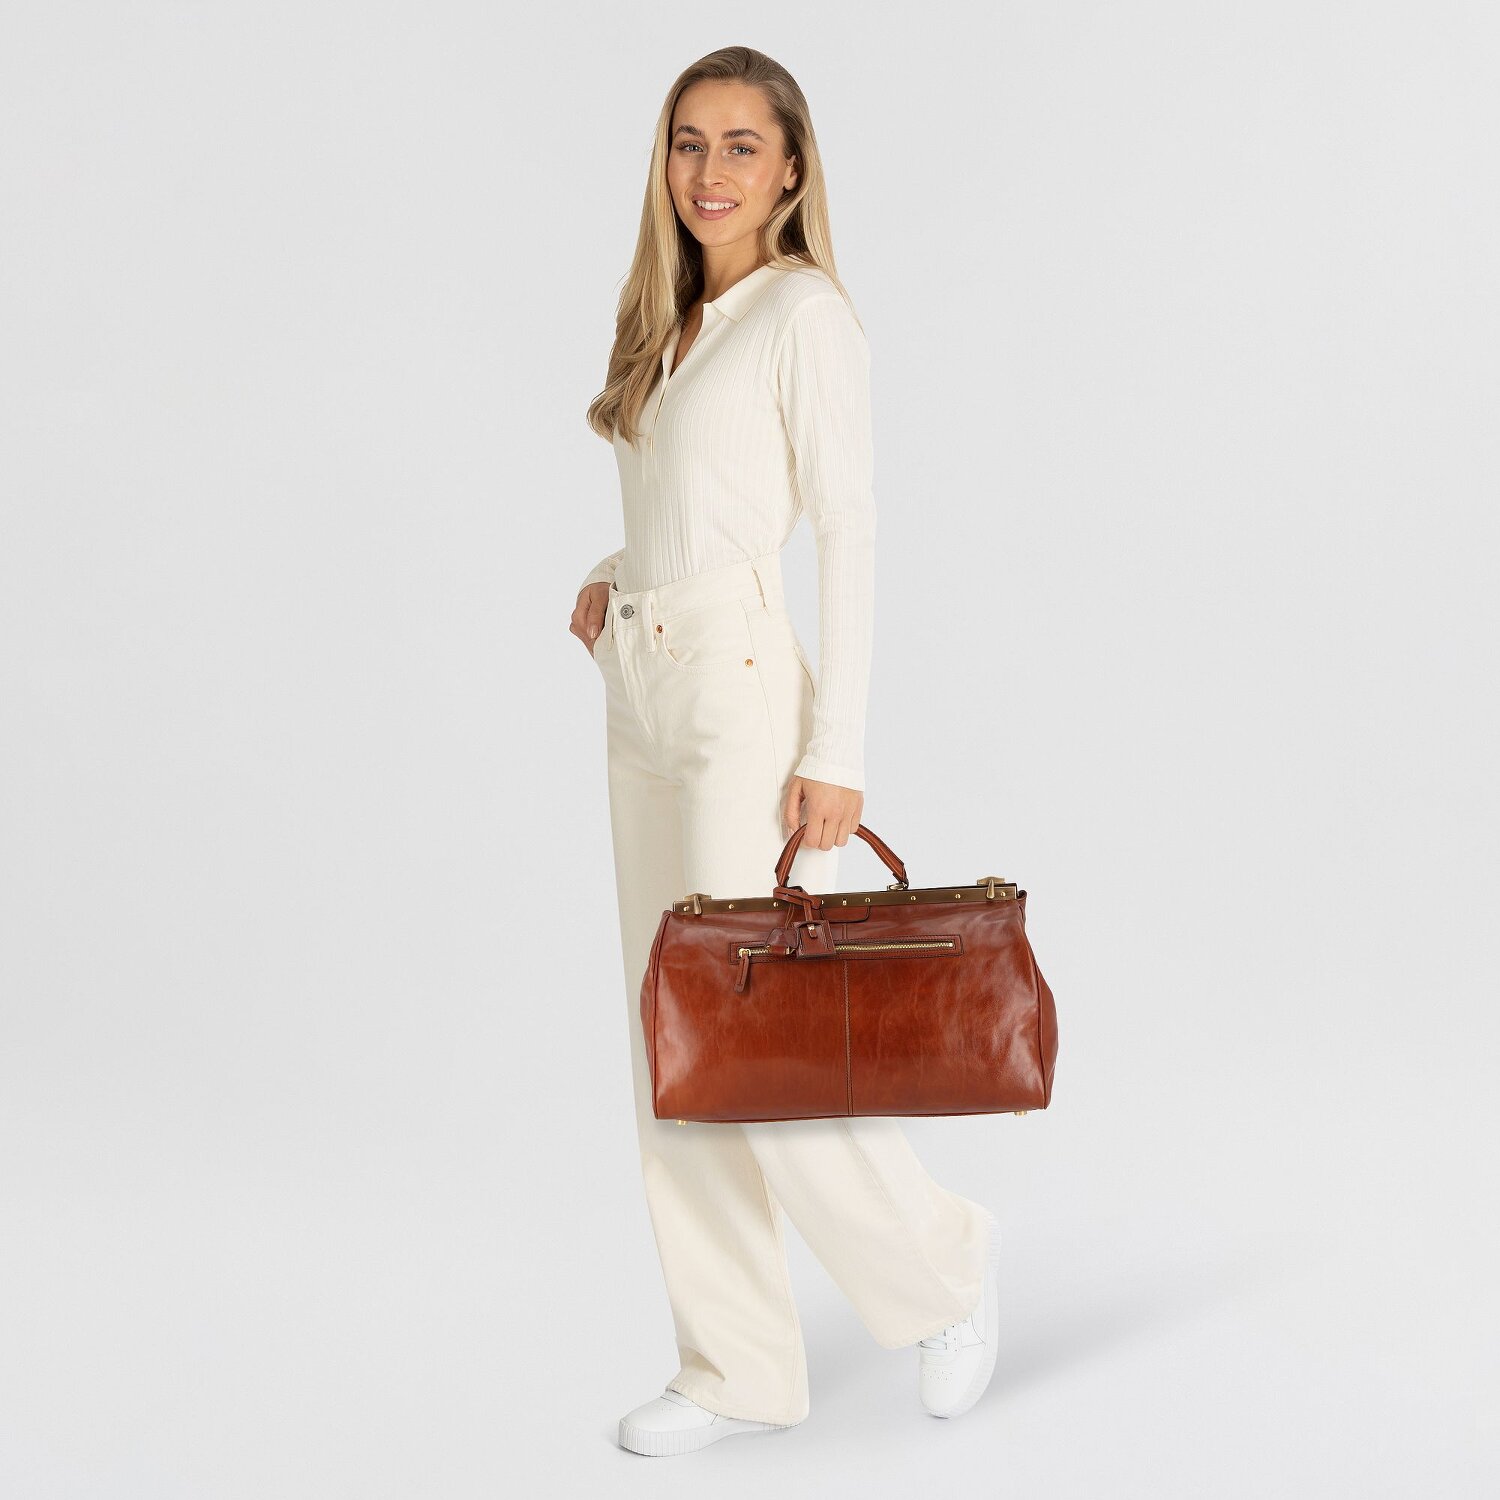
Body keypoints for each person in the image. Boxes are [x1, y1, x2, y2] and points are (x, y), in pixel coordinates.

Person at [571, 46, 1001, 1457]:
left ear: (793, 170)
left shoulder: (805, 315)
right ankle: (737, 1368)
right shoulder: (672, 319)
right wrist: (615, 581)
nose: (709, 173)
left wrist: (839, 748)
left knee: (755, 1034)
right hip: (646, 687)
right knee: (675, 1040)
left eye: (741, 147)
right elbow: (699, 506)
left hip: (744, 698)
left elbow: (848, 532)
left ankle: (943, 1269)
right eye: (688, 143)